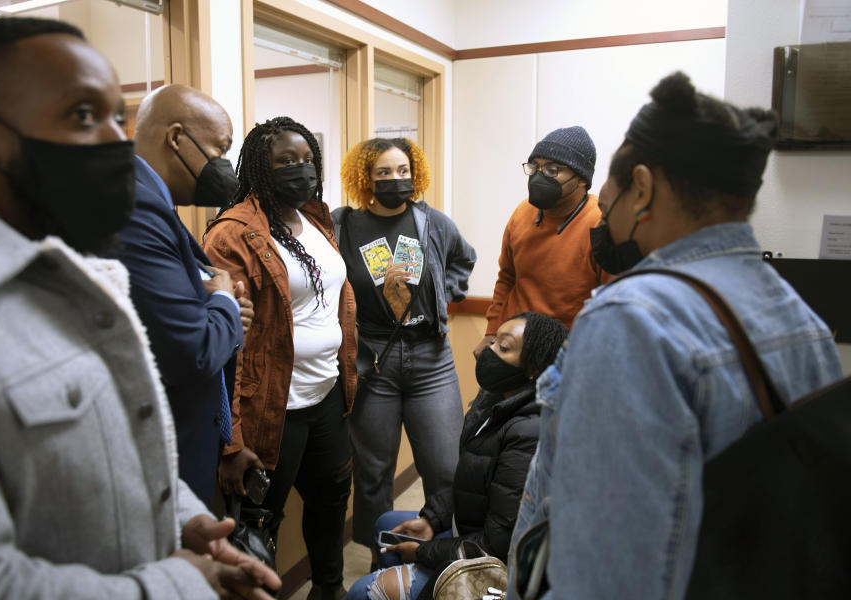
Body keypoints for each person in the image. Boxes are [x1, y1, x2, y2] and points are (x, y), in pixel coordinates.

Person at [0, 17, 279, 598]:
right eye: (80, 117)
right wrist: (174, 584)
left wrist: (180, 520)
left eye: (115, 118)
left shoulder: (67, 265)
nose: (114, 143)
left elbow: (115, 436)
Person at [507, 72, 843, 600]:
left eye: (610, 191)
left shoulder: (630, 322)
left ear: (640, 187)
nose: (605, 212)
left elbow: (606, 578)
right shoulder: (803, 320)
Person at [203, 116, 356, 600]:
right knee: (260, 520)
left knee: (331, 502)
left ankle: (328, 591)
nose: (300, 170)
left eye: (307, 159)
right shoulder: (232, 234)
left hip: (327, 394)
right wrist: (232, 442)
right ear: (260, 170)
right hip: (272, 408)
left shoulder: (314, 216)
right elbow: (230, 344)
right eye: (285, 162)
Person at [348, 313, 568, 600]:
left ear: (533, 369)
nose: (486, 351)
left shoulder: (529, 433)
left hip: (490, 564)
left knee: (359, 592)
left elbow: (497, 546)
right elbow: (473, 484)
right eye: (493, 342)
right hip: (471, 529)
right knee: (386, 524)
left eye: (504, 347)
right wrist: (432, 519)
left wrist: (425, 552)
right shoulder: (494, 401)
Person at [334, 137, 476, 563]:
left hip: (431, 359)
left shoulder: (432, 222)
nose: (396, 180)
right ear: (365, 178)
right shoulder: (344, 226)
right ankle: (385, 559)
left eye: (402, 171)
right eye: (383, 173)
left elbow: (463, 260)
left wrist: (442, 297)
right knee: (374, 473)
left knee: (446, 468)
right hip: (373, 359)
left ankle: (443, 556)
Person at [114, 83, 251, 506]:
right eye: (220, 150)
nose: (224, 165)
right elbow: (191, 351)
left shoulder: (157, 201)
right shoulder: (134, 207)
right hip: (159, 456)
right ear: (176, 138)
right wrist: (224, 300)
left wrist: (222, 309)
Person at [473, 126, 611, 358]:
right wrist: (492, 331)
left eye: (552, 170)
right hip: (514, 350)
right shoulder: (523, 212)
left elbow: (611, 301)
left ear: (581, 180)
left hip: (569, 352)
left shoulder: (601, 222)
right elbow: (507, 277)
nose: (539, 177)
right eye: (534, 167)